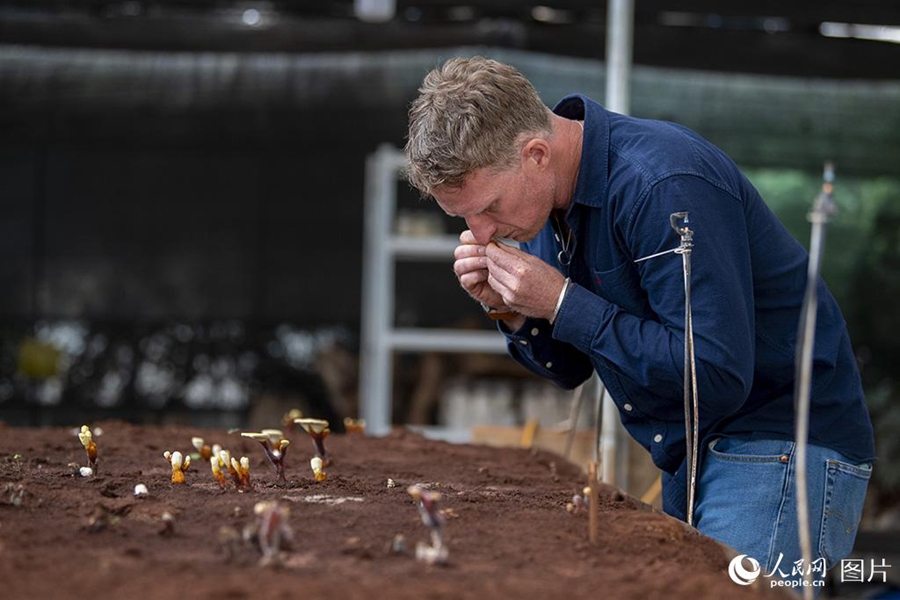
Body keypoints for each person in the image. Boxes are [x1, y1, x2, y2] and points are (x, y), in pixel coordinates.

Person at [405, 56, 875, 585]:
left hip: (778, 443)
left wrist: (561, 300)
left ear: (535, 153)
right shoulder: (541, 199)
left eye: (488, 207)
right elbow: (572, 368)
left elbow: (714, 372)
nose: (482, 232)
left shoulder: (662, 182)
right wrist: (514, 310)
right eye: (465, 218)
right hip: (697, 453)